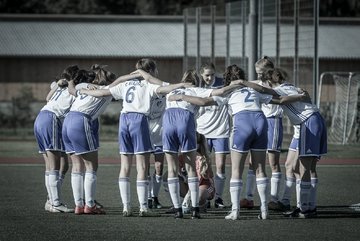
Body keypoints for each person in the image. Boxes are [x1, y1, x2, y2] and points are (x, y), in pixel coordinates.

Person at [81, 58, 191, 217]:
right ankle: (143, 208)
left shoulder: (126, 84)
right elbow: (166, 88)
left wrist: (84, 91)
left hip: (124, 120)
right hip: (139, 120)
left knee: (125, 167)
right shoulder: (149, 85)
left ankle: (126, 207)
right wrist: (181, 85)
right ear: (151, 71)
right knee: (142, 167)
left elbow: (103, 92)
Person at [238, 68, 327, 218]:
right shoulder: (289, 86)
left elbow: (274, 96)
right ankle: (304, 206)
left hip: (308, 122)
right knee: (292, 165)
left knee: (304, 167)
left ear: (270, 81)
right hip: (308, 123)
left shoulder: (281, 89)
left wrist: (243, 82)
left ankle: (306, 209)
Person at [63, 66, 119, 215]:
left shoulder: (82, 86)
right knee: (91, 167)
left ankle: (78, 205)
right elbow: (117, 84)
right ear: (110, 80)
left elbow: (71, 90)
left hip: (67, 120)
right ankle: (89, 205)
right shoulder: (107, 89)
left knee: (76, 166)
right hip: (81, 120)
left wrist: (70, 80)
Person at [34, 65, 79, 213]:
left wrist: (60, 83)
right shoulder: (73, 90)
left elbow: (47, 97)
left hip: (40, 117)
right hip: (51, 119)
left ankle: (51, 201)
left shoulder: (58, 86)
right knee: (54, 166)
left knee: (52, 166)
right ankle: (55, 203)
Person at [196, 63, 229, 209]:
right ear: (201, 75)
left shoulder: (223, 87)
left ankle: (219, 199)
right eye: (207, 75)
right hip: (202, 132)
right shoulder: (197, 89)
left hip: (220, 132)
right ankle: (205, 196)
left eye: (212, 74)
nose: (210, 78)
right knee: (203, 168)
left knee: (220, 166)